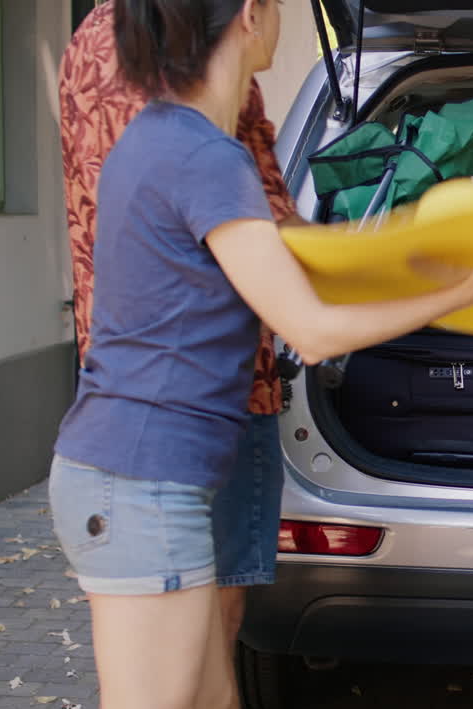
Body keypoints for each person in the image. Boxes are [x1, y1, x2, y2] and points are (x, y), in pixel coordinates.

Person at [49, 2, 473, 709]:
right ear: (250, 16)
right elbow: (313, 328)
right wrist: (471, 289)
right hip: (139, 476)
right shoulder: (205, 159)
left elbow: (300, 261)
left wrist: (431, 255)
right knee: (163, 708)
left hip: (148, 470)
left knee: (212, 701)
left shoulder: (170, 139)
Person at [58, 0, 299, 675]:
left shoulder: (97, 40)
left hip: (119, 382)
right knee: (202, 648)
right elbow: (274, 232)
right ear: (250, 16)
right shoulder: (200, 88)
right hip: (215, 390)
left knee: (181, 671)